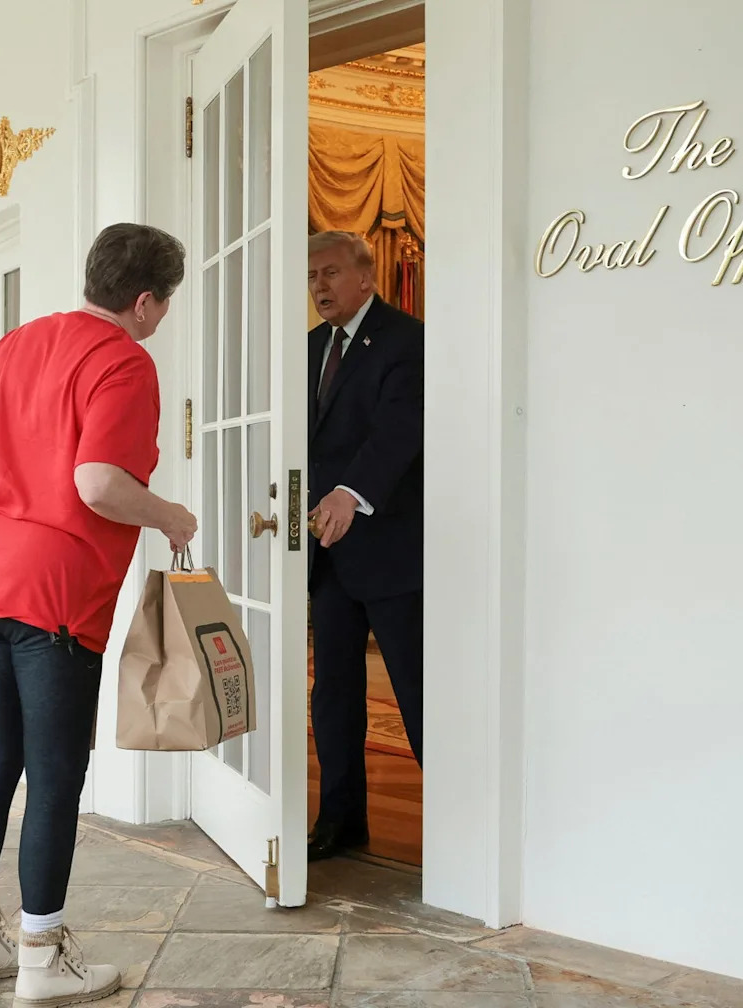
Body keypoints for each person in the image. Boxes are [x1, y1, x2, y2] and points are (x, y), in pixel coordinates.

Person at [0, 223, 197, 1007]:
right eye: (166, 303)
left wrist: (8, 511)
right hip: (53, 592)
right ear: (143, 302)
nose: (163, 317)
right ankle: (42, 959)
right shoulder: (124, 360)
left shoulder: (19, 342)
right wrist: (171, 516)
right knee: (54, 773)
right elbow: (98, 482)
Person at [306, 230, 424, 861]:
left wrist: (350, 494)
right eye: (312, 277)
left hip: (394, 552)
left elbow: (398, 433)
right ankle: (340, 819)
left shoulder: (409, 340)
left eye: (329, 273)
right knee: (333, 694)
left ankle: (459, 829)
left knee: (417, 690)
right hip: (328, 555)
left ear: (365, 277)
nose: (319, 286)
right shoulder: (308, 348)